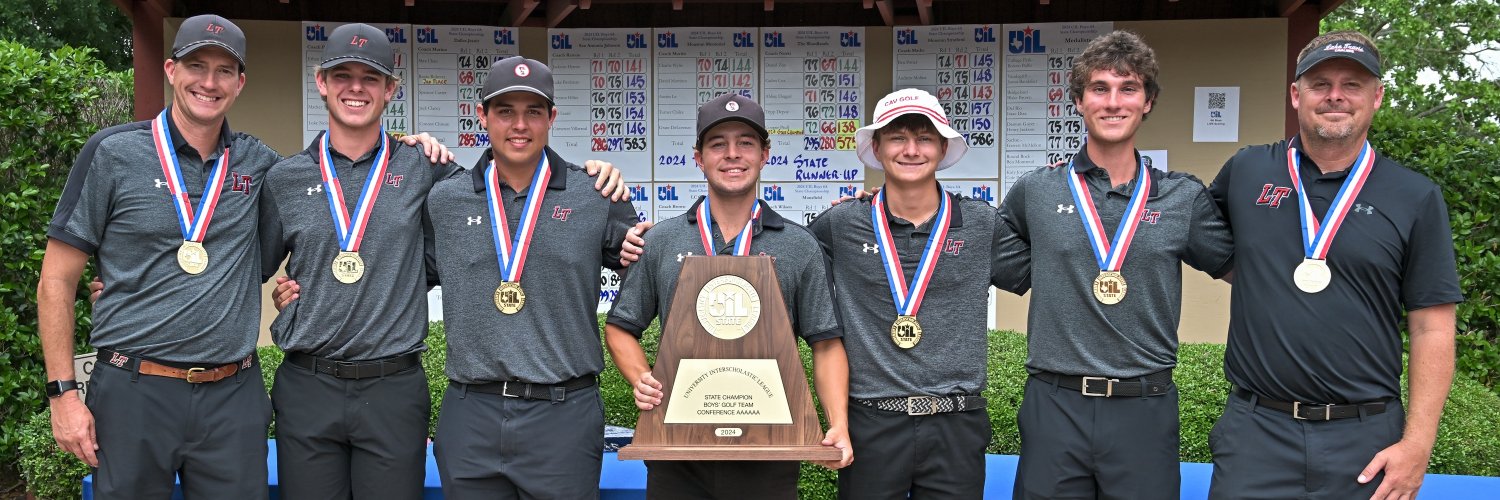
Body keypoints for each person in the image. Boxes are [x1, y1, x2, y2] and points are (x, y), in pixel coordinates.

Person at [1206, 31, 1461, 500]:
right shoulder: (1247, 171)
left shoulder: (1415, 196)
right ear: (1296, 94)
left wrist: (1418, 446)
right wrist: (1258, 275)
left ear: (1377, 96)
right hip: (1256, 436)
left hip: (1366, 441)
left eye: (1353, 84)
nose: (1336, 96)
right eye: (1321, 83)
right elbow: (1197, 237)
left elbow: (1433, 327)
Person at [36, 15, 281, 498]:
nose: (208, 82)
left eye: (224, 70)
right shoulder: (112, 153)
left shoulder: (261, 164)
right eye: (196, 65)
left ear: (240, 83)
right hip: (134, 391)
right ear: (171, 69)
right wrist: (62, 395)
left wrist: (411, 148)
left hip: (233, 395)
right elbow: (56, 281)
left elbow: (326, 187)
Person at [998, 30, 1233, 499]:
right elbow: (960, 237)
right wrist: (879, 206)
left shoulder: (1182, 196)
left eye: (1129, 88)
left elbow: (1247, 269)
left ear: (1147, 101)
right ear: (1079, 101)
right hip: (1054, 403)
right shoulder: (1036, 192)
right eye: (1100, 89)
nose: (1113, 102)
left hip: (1143, 408)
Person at [604, 92, 853, 499]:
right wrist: (641, 378)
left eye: (746, 143)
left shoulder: (799, 245)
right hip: (676, 451)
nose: (732, 155)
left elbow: (826, 343)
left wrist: (837, 422)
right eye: (718, 144)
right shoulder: (663, 240)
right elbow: (620, 327)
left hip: (769, 453)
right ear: (698, 157)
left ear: (765, 154)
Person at [423, 56, 638, 499]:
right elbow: (396, 273)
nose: (519, 125)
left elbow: (643, 278)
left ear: (551, 117)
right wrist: (302, 291)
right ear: (482, 116)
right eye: (505, 111)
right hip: (470, 413)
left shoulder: (597, 194)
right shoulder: (444, 200)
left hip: (563, 415)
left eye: (533, 112)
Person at [808, 88, 1029, 498]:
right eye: (897, 137)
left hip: (956, 422)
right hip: (870, 420)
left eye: (924, 138)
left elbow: (1058, 261)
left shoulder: (983, 224)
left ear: (943, 148)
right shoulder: (841, 223)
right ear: (876, 146)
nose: (911, 150)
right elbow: (777, 260)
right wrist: (655, 236)